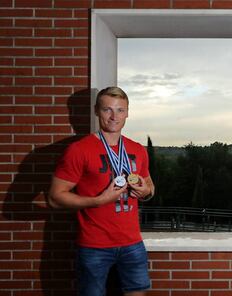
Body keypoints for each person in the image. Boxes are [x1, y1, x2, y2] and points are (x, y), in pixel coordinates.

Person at [48, 86, 154, 296]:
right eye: (107, 110)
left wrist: (145, 192)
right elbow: (55, 198)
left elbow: (150, 186)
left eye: (120, 110)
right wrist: (98, 201)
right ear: (97, 111)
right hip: (94, 244)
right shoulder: (79, 150)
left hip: (132, 242)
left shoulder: (137, 149)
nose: (114, 116)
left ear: (127, 113)